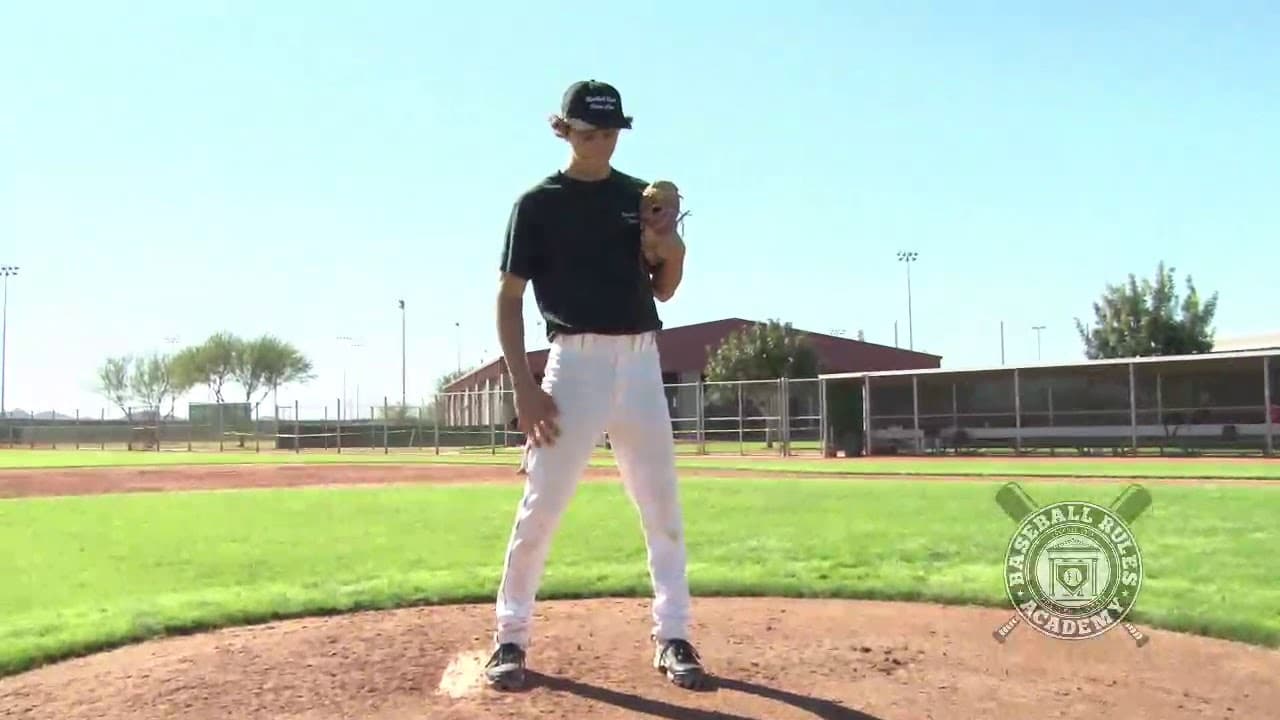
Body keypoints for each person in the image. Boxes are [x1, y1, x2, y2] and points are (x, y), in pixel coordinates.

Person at [483, 79, 706, 691]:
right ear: (563, 130)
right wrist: (525, 388)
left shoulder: (638, 197)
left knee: (662, 507)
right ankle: (509, 638)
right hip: (572, 365)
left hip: (640, 361)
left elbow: (663, 289)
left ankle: (674, 634)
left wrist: (670, 244)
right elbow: (508, 297)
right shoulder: (538, 203)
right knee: (542, 507)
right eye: (588, 132)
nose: (601, 143)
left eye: (610, 132)